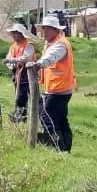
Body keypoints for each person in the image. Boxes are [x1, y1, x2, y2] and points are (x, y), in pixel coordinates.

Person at [25, 15, 75, 152]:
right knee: (61, 119)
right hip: (58, 88)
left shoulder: (60, 44)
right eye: (43, 29)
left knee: (47, 118)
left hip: (59, 89)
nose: (43, 32)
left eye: (46, 29)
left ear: (55, 30)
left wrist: (38, 64)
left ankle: (57, 147)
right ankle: (66, 148)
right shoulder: (52, 43)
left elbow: (50, 57)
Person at [2, 24, 34, 122]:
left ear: (21, 34)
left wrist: (11, 60)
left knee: (35, 98)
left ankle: (38, 117)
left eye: (16, 33)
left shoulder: (28, 45)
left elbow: (26, 58)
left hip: (29, 76)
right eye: (13, 33)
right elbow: (8, 59)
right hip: (17, 76)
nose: (14, 35)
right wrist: (10, 63)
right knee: (20, 98)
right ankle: (20, 118)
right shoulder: (13, 47)